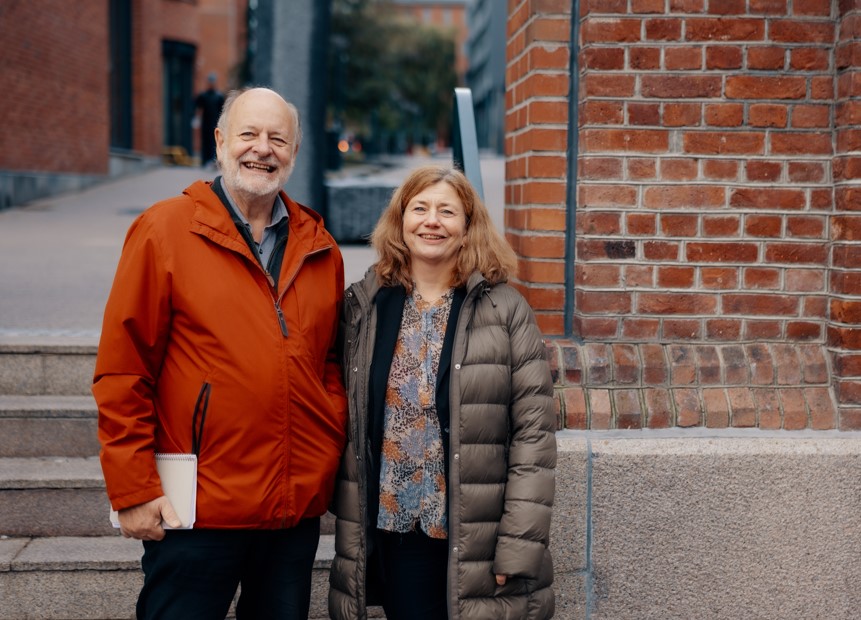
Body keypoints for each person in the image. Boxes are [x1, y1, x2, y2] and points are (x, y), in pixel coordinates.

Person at [94, 87, 348, 619]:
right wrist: (133, 487)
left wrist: (325, 442)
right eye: (249, 134)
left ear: (295, 151)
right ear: (220, 141)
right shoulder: (164, 230)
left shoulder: (320, 247)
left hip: (289, 508)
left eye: (278, 138)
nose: (263, 149)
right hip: (197, 506)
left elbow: (327, 361)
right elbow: (123, 369)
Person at [328, 165, 557, 620]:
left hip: (477, 536)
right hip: (396, 529)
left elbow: (534, 435)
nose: (432, 221)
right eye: (420, 208)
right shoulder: (365, 305)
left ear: (468, 227)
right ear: (400, 220)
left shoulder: (504, 309)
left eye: (447, 211)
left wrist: (517, 545)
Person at [195, 72, 226, 167]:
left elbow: (223, 110)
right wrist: (196, 119)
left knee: (215, 142)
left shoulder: (219, 96)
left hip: (215, 123)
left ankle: (213, 161)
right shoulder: (203, 96)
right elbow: (197, 107)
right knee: (205, 142)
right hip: (206, 123)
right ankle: (204, 161)